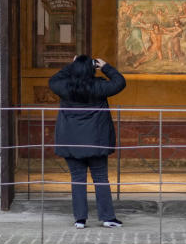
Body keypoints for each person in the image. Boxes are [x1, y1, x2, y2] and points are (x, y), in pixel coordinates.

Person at [49, 55, 127, 228]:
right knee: (100, 178)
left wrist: (73, 65)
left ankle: (80, 219)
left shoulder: (65, 87)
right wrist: (105, 66)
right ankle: (107, 218)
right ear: (92, 69)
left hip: (71, 141)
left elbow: (53, 80)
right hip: (96, 140)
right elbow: (119, 82)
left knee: (77, 179)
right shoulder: (98, 87)